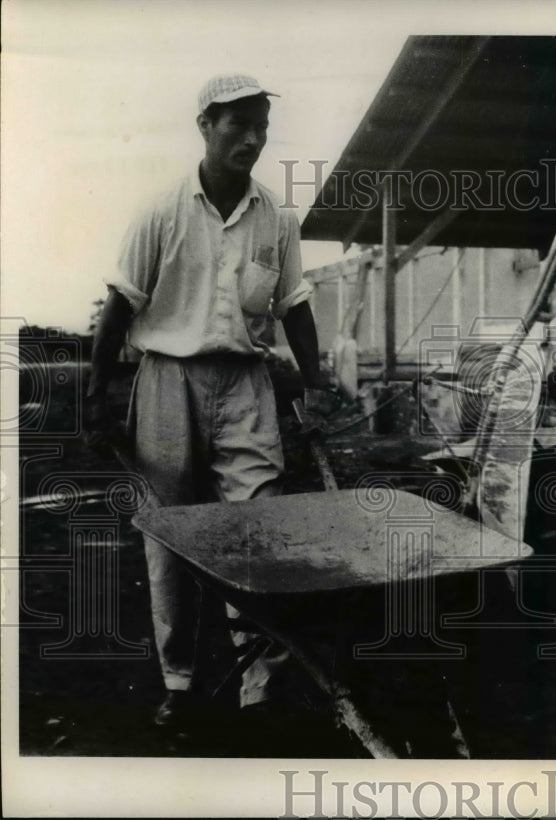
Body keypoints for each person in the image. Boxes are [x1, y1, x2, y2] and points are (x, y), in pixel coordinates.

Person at [84, 74, 331, 730]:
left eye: (261, 127)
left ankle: (264, 690)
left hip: (246, 385)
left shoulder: (275, 217)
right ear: (205, 126)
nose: (252, 139)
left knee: (261, 530)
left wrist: (315, 380)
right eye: (237, 125)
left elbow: (294, 305)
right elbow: (118, 308)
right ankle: (181, 684)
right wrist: (96, 396)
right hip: (168, 379)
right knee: (170, 534)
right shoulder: (162, 210)